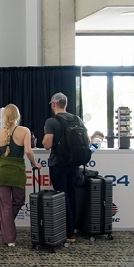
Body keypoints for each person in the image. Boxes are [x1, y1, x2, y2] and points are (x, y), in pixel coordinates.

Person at [0, 103, 38, 246]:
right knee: (19, 201)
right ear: (18, 116)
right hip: (18, 172)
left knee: (6, 206)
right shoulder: (25, 131)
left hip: (1, 172)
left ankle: (1, 228)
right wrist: (35, 164)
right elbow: (28, 152)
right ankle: (8, 237)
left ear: (4, 117)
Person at [44, 92, 86, 243]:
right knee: (71, 194)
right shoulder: (77, 119)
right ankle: (72, 228)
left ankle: (68, 232)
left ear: (54, 104)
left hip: (59, 163)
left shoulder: (52, 121)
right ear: (66, 104)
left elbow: (48, 145)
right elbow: (86, 141)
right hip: (74, 164)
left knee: (62, 195)